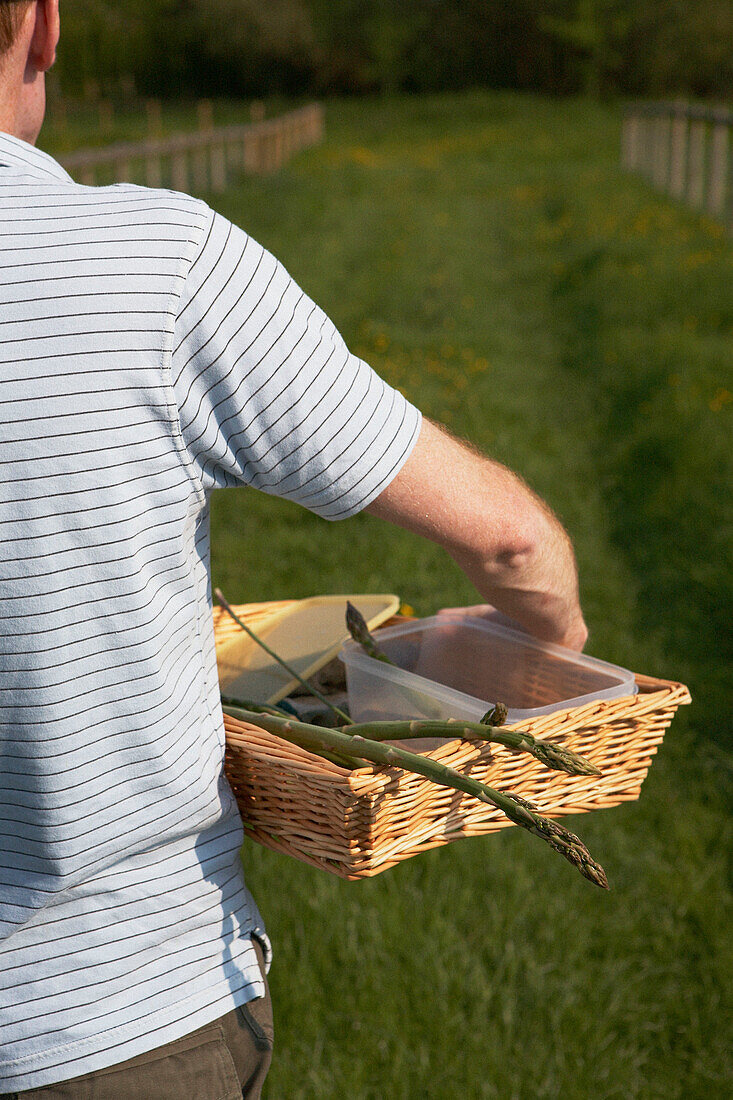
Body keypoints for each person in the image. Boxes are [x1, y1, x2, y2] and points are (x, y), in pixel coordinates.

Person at [0, 2, 587, 1096]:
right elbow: (509, 540)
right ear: (42, 24)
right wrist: (558, 644)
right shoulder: (160, 267)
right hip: (111, 1016)